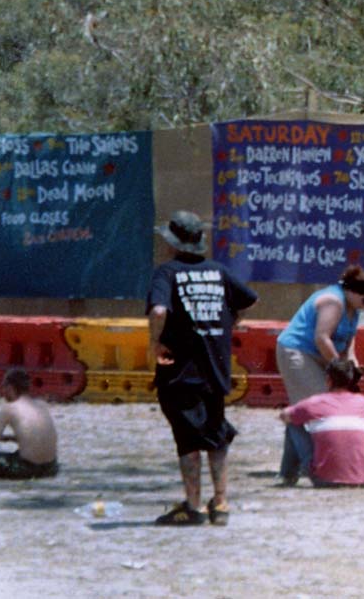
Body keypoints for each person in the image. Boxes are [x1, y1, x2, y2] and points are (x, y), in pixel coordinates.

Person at [147, 210, 258, 525]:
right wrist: (225, 325)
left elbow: (158, 310)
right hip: (216, 367)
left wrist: (155, 342)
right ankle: (221, 502)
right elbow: (248, 301)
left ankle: (193, 505)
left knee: (187, 437)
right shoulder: (218, 271)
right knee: (215, 433)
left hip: (180, 368)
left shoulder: (166, 273)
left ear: (171, 243)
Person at [275, 264, 364, 484]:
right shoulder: (333, 301)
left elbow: (349, 342)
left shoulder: (354, 308)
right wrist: (341, 371)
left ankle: (288, 472)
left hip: (323, 356)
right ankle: (309, 464)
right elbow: (322, 337)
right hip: (299, 351)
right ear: (351, 292)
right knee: (319, 406)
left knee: (300, 412)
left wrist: (352, 366)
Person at [278, 359, 364, 487]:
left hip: (323, 479)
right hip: (363, 478)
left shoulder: (315, 402)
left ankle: (288, 476)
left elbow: (284, 415)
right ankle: (362, 467)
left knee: (293, 426)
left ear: (328, 379)